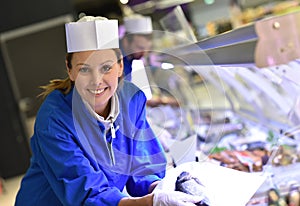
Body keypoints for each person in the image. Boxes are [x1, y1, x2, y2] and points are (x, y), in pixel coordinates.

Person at [14, 16, 203, 206]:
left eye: (106, 67)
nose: (96, 80)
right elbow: (87, 193)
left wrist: (162, 188)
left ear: (120, 66)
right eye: (84, 70)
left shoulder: (132, 100)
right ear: (69, 70)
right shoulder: (54, 120)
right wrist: (149, 202)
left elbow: (142, 166)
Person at [120, 14, 153, 81]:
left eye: (148, 49)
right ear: (126, 41)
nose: (144, 53)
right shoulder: (115, 59)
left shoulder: (130, 57)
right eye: (140, 48)